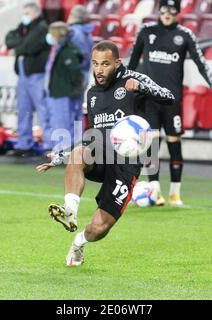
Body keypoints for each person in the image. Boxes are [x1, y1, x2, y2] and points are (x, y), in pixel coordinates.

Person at [37, 41, 175, 266]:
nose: (99, 70)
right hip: (100, 153)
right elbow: (91, 135)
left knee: (99, 228)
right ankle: (70, 210)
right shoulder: (91, 93)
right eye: (95, 64)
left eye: (105, 64)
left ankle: (78, 242)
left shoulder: (134, 79)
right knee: (79, 153)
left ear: (117, 63)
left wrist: (142, 88)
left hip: (126, 163)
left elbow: (169, 96)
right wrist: (61, 157)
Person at [127, 0, 212, 207]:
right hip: (149, 98)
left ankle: (175, 194)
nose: (167, 13)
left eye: (172, 10)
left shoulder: (185, 35)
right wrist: (125, 90)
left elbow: (202, 64)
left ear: (178, 12)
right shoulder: (146, 31)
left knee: (174, 143)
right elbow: (132, 64)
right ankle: (155, 191)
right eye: (163, 8)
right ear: (159, 10)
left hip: (172, 100)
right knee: (152, 144)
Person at [5, 1, 51, 156]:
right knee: (23, 110)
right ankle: (24, 144)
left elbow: (29, 46)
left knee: (43, 110)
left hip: (37, 74)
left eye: (27, 13)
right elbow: (8, 40)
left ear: (36, 13)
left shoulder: (42, 28)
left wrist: (19, 46)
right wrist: (20, 44)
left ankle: (49, 145)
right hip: (23, 74)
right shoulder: (23, 27)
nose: (24, 17)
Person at [44, 21, 83, 152]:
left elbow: (74, 72)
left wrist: (74, 89)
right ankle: (62, 149)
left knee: (62, 122)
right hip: (57, 90)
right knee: (60, 121)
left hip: (63, 91)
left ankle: (63, 151)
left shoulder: (67, 50)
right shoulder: (59, 48)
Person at [67, 5, 94, 145]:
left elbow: (77, 57)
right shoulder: (86, 33)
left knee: (69, 111)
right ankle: (76, 142)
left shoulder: (75, 33)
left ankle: (70, 144)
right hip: (82, 75)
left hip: (73, 76)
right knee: (76, 111)